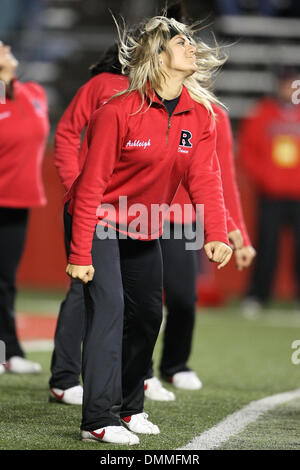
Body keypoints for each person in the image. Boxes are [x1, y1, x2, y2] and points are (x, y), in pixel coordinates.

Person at [63, 15, 233, 445]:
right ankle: (98, 419)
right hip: (98, 217)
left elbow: (205, 179)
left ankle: (128, 407)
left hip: (143, 223)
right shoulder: (117, 111)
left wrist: (216, 232)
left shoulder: (201, 115)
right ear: (157, 56)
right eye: (181, 42)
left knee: (147, 315)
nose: (192, 48)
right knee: (109, 310)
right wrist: (80, 253)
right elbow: (90, 187)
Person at [0, 41, 49, 374]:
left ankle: (10, 349)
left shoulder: (33, 92)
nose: (5, 47)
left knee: (5, 280)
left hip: (19, 200)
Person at [238, 66, 300, 314]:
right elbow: (247, 152)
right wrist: (266, 179)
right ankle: (257, 296)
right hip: (271, 195)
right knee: (266, 246)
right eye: (287, 84)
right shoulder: (261, 113)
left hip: (298, 195)